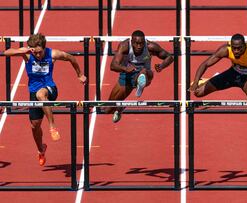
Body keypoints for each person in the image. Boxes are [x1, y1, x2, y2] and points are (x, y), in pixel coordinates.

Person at [4, 33, 87, 166]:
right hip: (33, 91)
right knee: (34, 125)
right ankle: (41, 149)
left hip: (50, 88)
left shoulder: (52, 54)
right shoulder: (26, 54)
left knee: (41, 95)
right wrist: (23, 50)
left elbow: (71, 58)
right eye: (35, 53)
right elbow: (6, 52)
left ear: (44, 48)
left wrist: (80, 74)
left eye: (40, 52)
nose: (37, 55)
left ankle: (52, 127)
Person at [189, 33, 247, 121]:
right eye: (234, 48)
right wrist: (195, 82)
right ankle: (206, 81)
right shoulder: (226, 50)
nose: (236, 51)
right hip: (232, 73)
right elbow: (206, 64)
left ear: (244, 46)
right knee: (198, 93)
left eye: (239, 48)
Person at [104, 30, 174, 123]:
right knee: (108, 110)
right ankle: (120, 108)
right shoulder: (124, 46)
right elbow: (113, 65)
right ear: (131, 41)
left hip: (146, 75)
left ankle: (140, 84)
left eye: (141, 43)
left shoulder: (150, 47)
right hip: (127, 76)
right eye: (136, 43)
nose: (139, 46)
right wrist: (125, 69)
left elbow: (169, 57)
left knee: (143, 72)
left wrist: (161, 66)